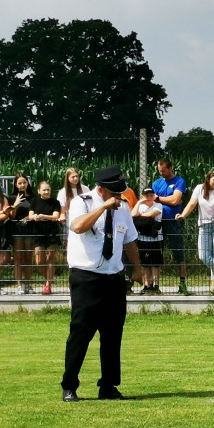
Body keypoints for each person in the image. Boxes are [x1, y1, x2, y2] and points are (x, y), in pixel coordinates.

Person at [61, 166, 143, 402]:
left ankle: (108, 385)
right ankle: (69, 385)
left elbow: (130, 241)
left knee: (112, 335)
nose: (119, 196)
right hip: (86, 276)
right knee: (81, 333)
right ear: (102, 189)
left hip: (113, 277)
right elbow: (77, 227)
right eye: (114, 192)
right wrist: (103, 208)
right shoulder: (82, 202)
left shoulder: (124, 207)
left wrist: (137, 270)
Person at [177, 168, 214, 291]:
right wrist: (183, 215)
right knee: (204, 256)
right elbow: (192, 204)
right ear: (208, 179)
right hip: (204, 226)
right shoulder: (199, 188)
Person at [151, 158, 189, 295]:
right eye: (159, 171)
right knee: (157, 252)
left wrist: (158, 199)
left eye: (164, 170)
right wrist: (159, 200)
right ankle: (155, 285)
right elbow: (151, 201)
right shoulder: (156, 183)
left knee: (179, 252)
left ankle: (182, 283)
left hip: (173, 221)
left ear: (170, 168)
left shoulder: (179, 181)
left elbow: (175, 200)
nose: (161, 173)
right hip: (158, 221)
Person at [29, 180, 63, 295]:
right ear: (39, 191)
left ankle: (48, 284)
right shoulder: (34, 201)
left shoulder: (55, 202)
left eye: (48, 189)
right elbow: (30, 215)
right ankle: (49, 278)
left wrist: (44, 216)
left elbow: (55, 216)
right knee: (39, 260)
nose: (47, 191)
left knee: (50, 259)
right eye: (44, 189)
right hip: (38, 232)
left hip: (51, 232)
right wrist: (35, 217)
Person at [131, 187, 163, 293]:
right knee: (145, 262)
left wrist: (140, 217)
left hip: (155, 238)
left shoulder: (158, 205)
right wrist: (139, 202)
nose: (149, 198)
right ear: (142, 196)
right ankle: (146, 285)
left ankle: (156, 285)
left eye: (151, 195)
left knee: (156, 262)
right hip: (143, 238)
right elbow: (132, 215)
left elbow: (151, 214)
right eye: (146, 195)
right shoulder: (140, 206)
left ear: (154, 196)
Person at [8, 172, 35, 294]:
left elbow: (34, 214)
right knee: (18, 259)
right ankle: (19, 285)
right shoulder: (12, 198)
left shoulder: (34, 198)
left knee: (28, 258)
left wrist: (27, 218)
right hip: (16, 231)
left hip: (30, 231)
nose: (22, 185)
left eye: (24, 182)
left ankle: (28, 284)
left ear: (28, 183)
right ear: (15, 184)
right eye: (20, 183)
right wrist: (16, 205)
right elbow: (11, 216)